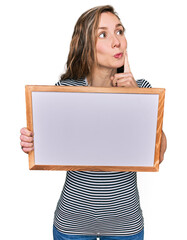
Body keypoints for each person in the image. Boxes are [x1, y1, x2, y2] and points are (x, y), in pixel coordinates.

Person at [20, 5, 167, 240]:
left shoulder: (143, 90)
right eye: (103, 34)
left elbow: (157, 154)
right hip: (72, 224)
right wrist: (31, 142)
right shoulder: (65, 91)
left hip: (125, 225)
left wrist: (136, 98)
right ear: (86, 46)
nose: (116, 41)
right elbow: (49, 146)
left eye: (119, 31)